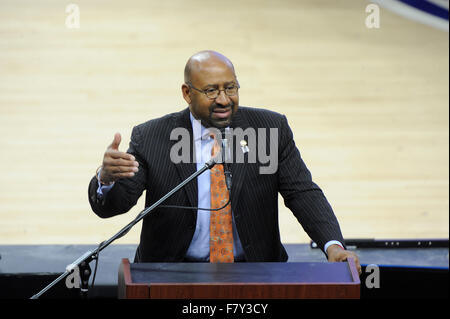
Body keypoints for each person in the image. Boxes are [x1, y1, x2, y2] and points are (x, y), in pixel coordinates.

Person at [88, 50, 361, 273]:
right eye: (211, 91)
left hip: (255, 271)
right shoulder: (151, 136)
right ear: (187, 93)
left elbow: (301, 192)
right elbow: (116, 206)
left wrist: (332, 244)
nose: (223, 100)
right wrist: (106, 180)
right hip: (171, 272)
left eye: (230, 88)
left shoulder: (270, 129)